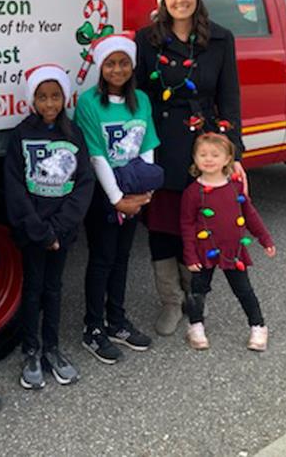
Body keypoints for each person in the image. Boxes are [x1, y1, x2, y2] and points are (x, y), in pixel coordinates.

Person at [134, 0, 245, 337]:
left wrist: (234, 152)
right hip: (163, 144)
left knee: (201, 226)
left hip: (206, 147)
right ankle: (170, 300)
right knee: (163, 227)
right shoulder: (145, 40)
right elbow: (138, 98)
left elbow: (229, 98)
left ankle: (195, 297)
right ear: (164, 0)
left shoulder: (220, 39)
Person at [4, 64, 94, 389]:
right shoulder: (20, 135)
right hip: (34, 233)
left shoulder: (74, 135)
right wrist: (40, 232)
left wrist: (58, 229)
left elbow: (84, 184)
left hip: (62, 233)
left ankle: (52, 347)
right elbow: (14, 189)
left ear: (64, 98)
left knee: (54, 289)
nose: (49, 104)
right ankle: (31, 349)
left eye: (55, 97)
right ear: (32, 100)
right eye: (42, 97)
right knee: (32, 289)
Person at [74, 33, 160, 364]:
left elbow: (148, 143)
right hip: (104, 194)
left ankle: (117, 321)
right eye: (110, 63)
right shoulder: (89, 103)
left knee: (122, 257)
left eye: (123, 62)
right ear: (101, 67)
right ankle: (93, 328)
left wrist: (143, 191)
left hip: (134, 192)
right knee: (102, 258)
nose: (117, 69)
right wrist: (117, 199)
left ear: (132, 66)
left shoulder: (142, 100)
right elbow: (96, 155)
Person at [181, 132, 275, 351]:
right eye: (202, 154)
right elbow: (186, 225)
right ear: (195, 158)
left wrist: (264, 238)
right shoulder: (193, 192)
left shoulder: (235, 186)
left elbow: (250, 214)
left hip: (233, 251)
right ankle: (195, 326)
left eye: (215, 154)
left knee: (243, 289)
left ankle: (258, 325)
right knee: (198, 289)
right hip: (204, 250)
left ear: (227, 159)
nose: (209, 159)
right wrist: (190, 255)